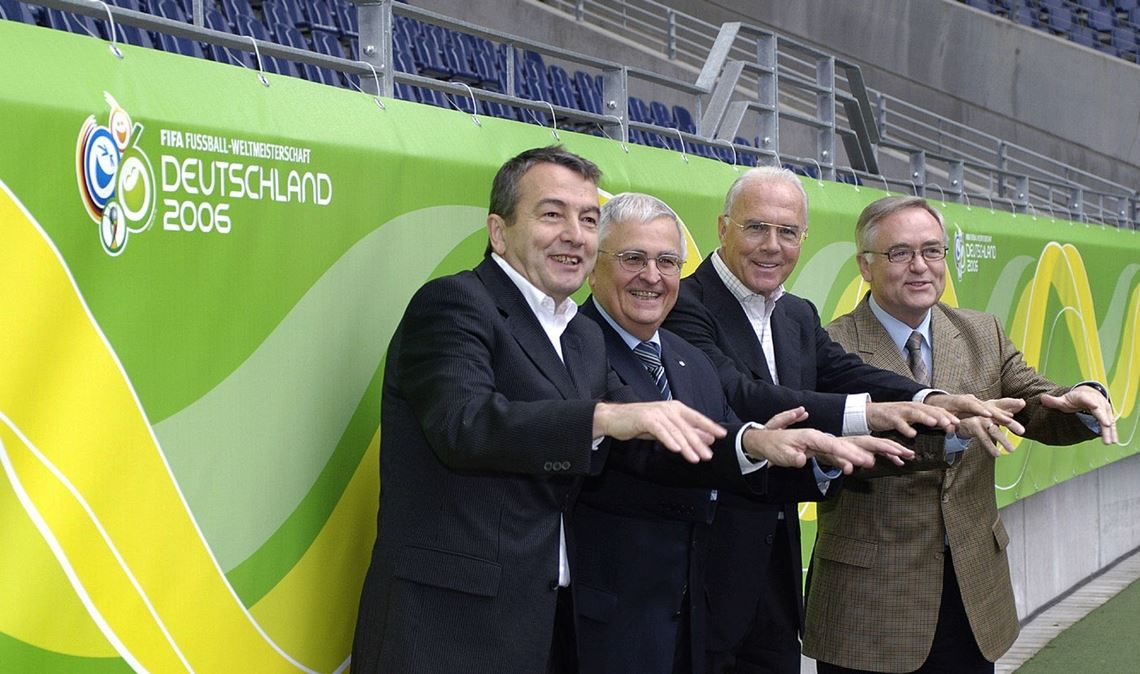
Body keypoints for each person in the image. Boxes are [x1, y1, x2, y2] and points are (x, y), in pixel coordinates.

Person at [350, 146, 729, 674]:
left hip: (544, 625)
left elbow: (645, 426)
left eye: (589, 219)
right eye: (553, 214)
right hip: (447, 628)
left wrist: (754, 443)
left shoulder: (580, 335)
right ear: (499, 232)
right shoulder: (454, 304)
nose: (575, 234)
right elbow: (465, 425)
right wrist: (601, 419)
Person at [662, 166, 1014, 674]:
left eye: (788, 232)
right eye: (756, 227)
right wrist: (869, 413)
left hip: (776, 575)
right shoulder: (683, 304)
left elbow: (846, 372)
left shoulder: (795, 313)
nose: (772, 245)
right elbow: (740, 394)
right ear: (722, 228)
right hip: (704, 573)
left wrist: (931, 398)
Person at [570, 192, 913, 674]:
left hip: (702, 615)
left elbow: (730, 461)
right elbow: (655, 450)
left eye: (667, 262)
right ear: (592, 265)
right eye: (633, 259)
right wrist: (754, 442)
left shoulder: (687, 358)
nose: (652, 276)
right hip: (613, 626)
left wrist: (824, 457)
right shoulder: (572, 347)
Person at [803, 195, 1116, 674]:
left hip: (972, 594)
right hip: (870, 604)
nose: (920, 267)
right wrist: (949, 433)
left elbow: (1034, 402)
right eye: (900, 253)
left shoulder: (980, 332)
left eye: (932, 251)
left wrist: (1081, 401)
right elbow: (837, 451)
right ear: (865, 265)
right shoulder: (831, 346)